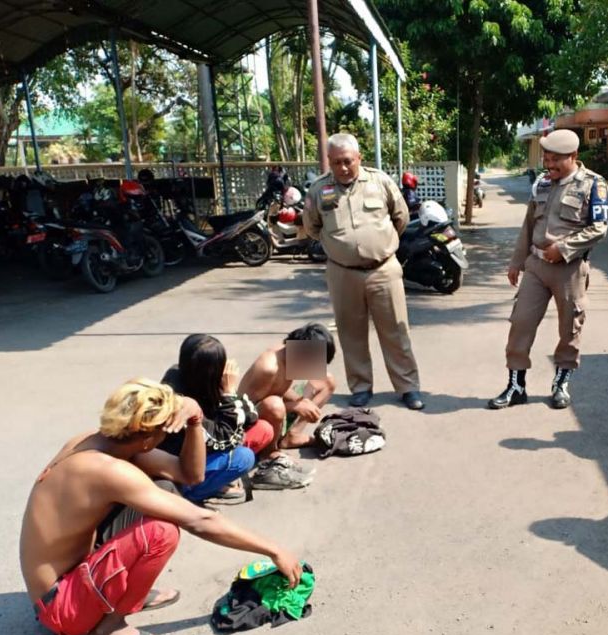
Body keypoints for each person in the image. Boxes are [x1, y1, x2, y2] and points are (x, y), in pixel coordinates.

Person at [20, 379, 301, 635]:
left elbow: (190, 475)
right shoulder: (108, 470)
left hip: (67, 581)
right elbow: (200, 519)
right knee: (162, 531)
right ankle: (107, 630)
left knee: (163, 492)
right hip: (61, 608)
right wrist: (273, 549)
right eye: (165, 432)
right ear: (146, 440)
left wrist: (194, 421)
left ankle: (120, 592)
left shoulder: (101, 442)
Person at [488, 128, 608, 410]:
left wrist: (565, 248)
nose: (550, 165)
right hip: (536, 266)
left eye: (556, 160)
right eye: (547, 159)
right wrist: (516, 262)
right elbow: (528, 225)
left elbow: (600, 227)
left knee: (570, 328)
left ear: (573, 156)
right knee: (521, 322)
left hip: (570, 269)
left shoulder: (592, 184)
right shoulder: (542, 184)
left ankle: (560, 383)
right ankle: (516, 386)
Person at [302, 133, 424, 411]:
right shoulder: (319, 190)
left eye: (347, 161)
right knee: (351, 333)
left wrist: (379, 244)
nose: (343, 168)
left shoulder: (379, 181)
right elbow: (311, 227)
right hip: (342, 273)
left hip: (383, 269)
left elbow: (400, 216)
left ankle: (408, 387)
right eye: (336, 163)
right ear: (329, 163)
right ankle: (360, 386)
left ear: (359, 158)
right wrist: (340, 247)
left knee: (396, 331)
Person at [160, 334, 275, 503]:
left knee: (264, 429)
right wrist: (228, 393)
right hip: (184, 470)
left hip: (210, 445)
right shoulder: (181, 404)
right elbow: (223, 439)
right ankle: (195, 491)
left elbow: (251, 416)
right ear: (211, 371)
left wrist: (229, 393)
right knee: (244, 457)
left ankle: (218, 478)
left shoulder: (197, 379)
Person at [238, 323, 336, 489]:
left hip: (277, 413)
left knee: (326, 380)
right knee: (275, 405)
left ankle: (292, 436)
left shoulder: (289, 356)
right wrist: (296, 406)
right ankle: (269, 452)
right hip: (250, 424)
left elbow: (279, 389)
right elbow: (248, 410)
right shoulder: (269, 367)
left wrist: (300, 401)